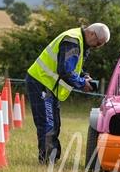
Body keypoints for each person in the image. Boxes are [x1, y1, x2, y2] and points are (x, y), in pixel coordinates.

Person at [26, 23, 109, 163]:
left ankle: (51, 158)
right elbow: (65, 71)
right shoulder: (72, 40)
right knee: (48, 123)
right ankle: (47, 160)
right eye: (98, 43)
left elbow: (74, 68)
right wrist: (82, 84)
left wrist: (84, 76)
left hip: (49, 85)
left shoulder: (80, 41)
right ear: (92, 34)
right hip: (41, 82)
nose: (97, 47)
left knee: (55, 124)